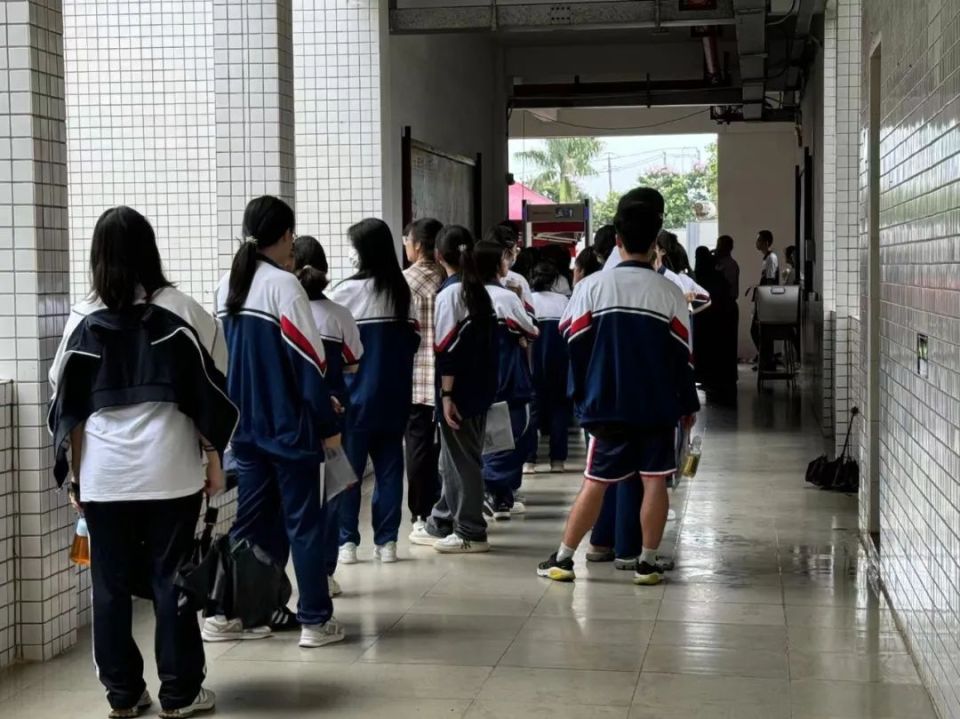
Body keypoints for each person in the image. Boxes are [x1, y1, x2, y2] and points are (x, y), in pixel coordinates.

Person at [48, 207, 235, 718]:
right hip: (171, 470)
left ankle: (124, 696)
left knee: (108, 587)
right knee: (171, 579)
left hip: (104, 476)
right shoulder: (182, 310)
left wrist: (76, 474)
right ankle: (180, 693)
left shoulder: (82, 321)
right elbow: (210, 389)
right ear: (150, 251)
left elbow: (64, 398)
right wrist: (213, 457)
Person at [538, 198, 699, 586]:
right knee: (654, 480)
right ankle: (646, 561)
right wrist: (687, 406)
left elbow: (572, 341)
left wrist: (585, 390)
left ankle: (562, 559)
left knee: (596, 480)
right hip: (658, 406)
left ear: (618, 241)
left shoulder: (592, 287)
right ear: (654, 244)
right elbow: (682, 358)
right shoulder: (669, 293)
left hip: (606, 404)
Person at [212, 195, 343, 649]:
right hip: (288, 430)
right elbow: (310, 367)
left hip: (244, 430)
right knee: (302, 524)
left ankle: (229, 612)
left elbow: (221, 365)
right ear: (287, 235)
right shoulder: (285, 288)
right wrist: (327, 424)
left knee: (250, 524)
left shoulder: (227, 287)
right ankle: (315, 621)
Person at [329, 219, 420, 565]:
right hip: (394, 397)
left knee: (348, 473)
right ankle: (387, 543)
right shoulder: (400, 292)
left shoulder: (343, 294)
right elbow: (412, 342)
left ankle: (347, 542)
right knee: (390, 470)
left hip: (354, 401)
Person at [409, 226, 498, 553]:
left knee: (462, 461)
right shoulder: (478, 291)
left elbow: (447, 351)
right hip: (480, 387)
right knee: (453, 458)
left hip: (458, 392)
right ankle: (442, 520)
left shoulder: (449, 295)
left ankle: (471, 531)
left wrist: (446, 396)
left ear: (437, 255)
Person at [292, 235, 364, 597]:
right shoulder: (338, 315)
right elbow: (353, 361)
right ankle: (325, 571)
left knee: (296, 502)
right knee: (331, 494)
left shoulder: (282, 315)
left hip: (292, 418)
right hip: (334, 416)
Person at [478, 240, 540, 519]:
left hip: (477, 382)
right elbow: (531, 329)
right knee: (513, 437)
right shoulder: (505, 298)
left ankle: (500, 497)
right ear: (496, 265)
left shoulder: (463, 294)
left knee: (484, 438)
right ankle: (492, 488)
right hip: (509, 379)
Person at [401, 219, 447, 535]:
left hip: (415, 377)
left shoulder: (403, 282)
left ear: (417, 245)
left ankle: (420, 513)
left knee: (417, 448)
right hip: (448, 379)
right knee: (448, 451)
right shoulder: (450, 278)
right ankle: (446, 509)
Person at [526, 262, 571, 475]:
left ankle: (529, 460)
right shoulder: (564, 302)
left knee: (532, 413)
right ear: (554, 281)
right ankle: (558, 460)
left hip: (532, 364)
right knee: (559, 411)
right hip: (560, 364)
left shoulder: (528, 301)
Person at [485, 224, 534, 312]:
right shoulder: (518, 280)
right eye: (516, 250)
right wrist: (516, 300)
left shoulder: (471, 278)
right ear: (508, 253)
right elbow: (529, 319)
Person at [751, 229, 780, 370]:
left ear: (766, 242)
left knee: (757, 331)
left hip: (767, 302)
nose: (756, 243)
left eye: (759, 240)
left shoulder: (771, 258)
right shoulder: (766, 258)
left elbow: (770, 281)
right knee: (760, 332)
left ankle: (768, 360)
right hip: (764, 300)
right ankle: (766, 359)